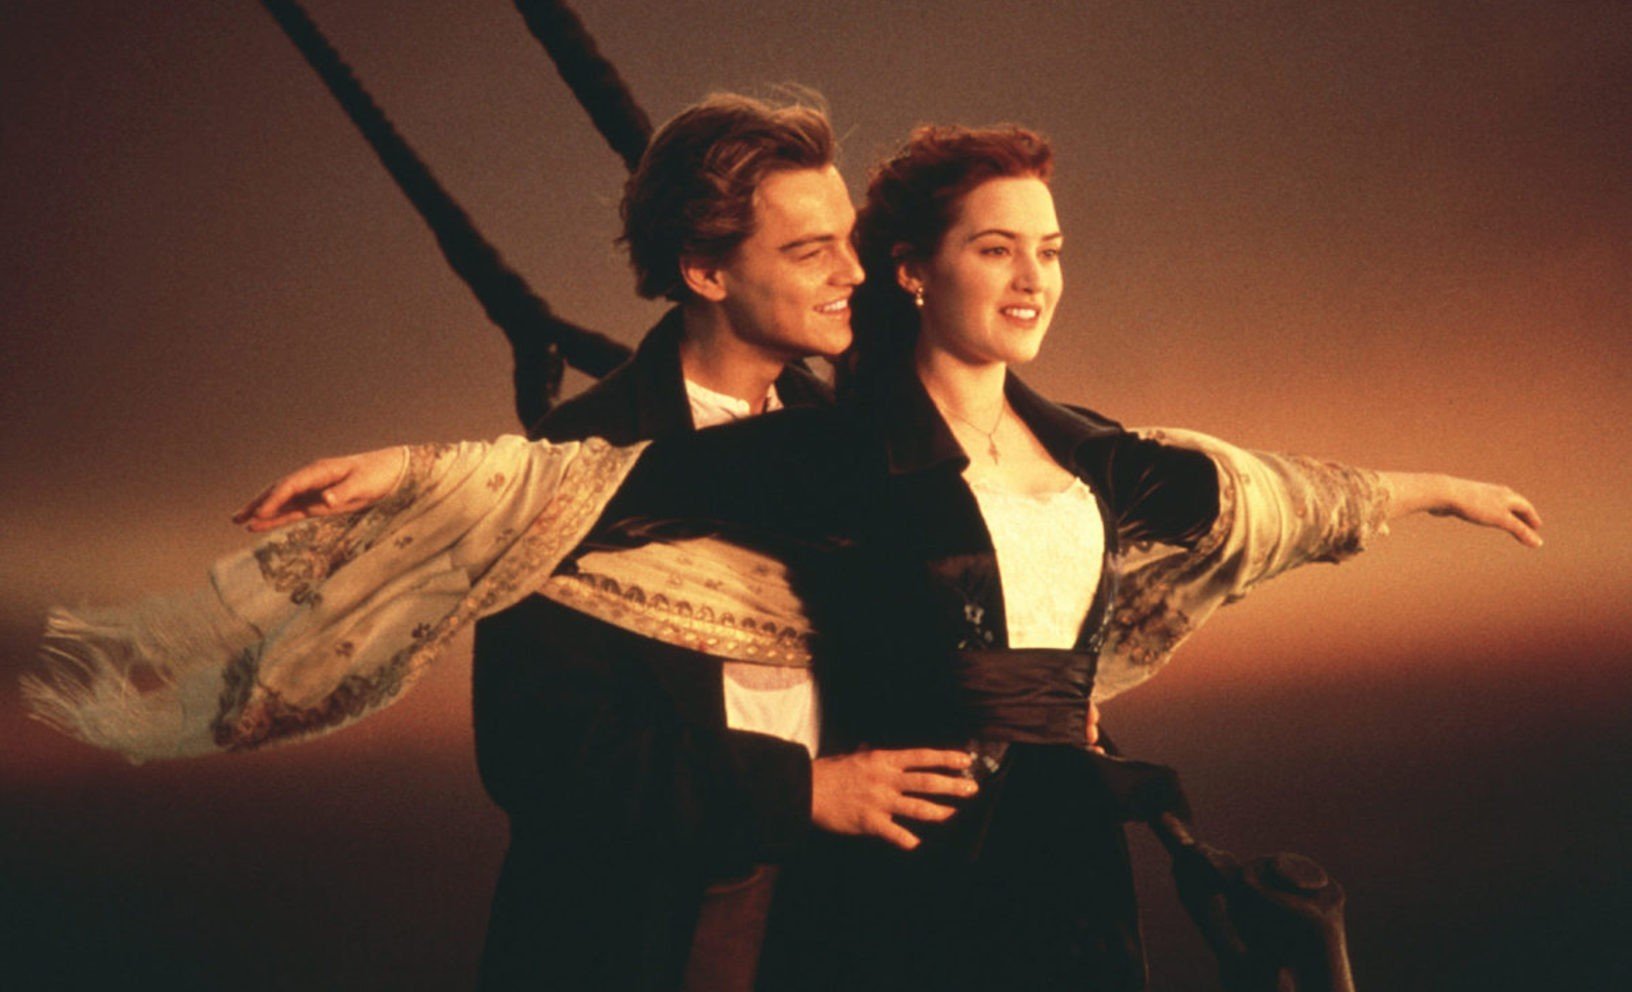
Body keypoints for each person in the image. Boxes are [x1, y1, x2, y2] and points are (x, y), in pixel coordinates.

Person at [27, 124, 1540, 991]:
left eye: (850, 242)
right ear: (706, 270)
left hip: (894, 896)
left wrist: (1402, 492)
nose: (849, 276)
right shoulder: (596, 467)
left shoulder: (865, 430)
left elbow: (1153, 488)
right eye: (809, 251)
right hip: (674, 919)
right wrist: (801, 792)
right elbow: (543, 754)